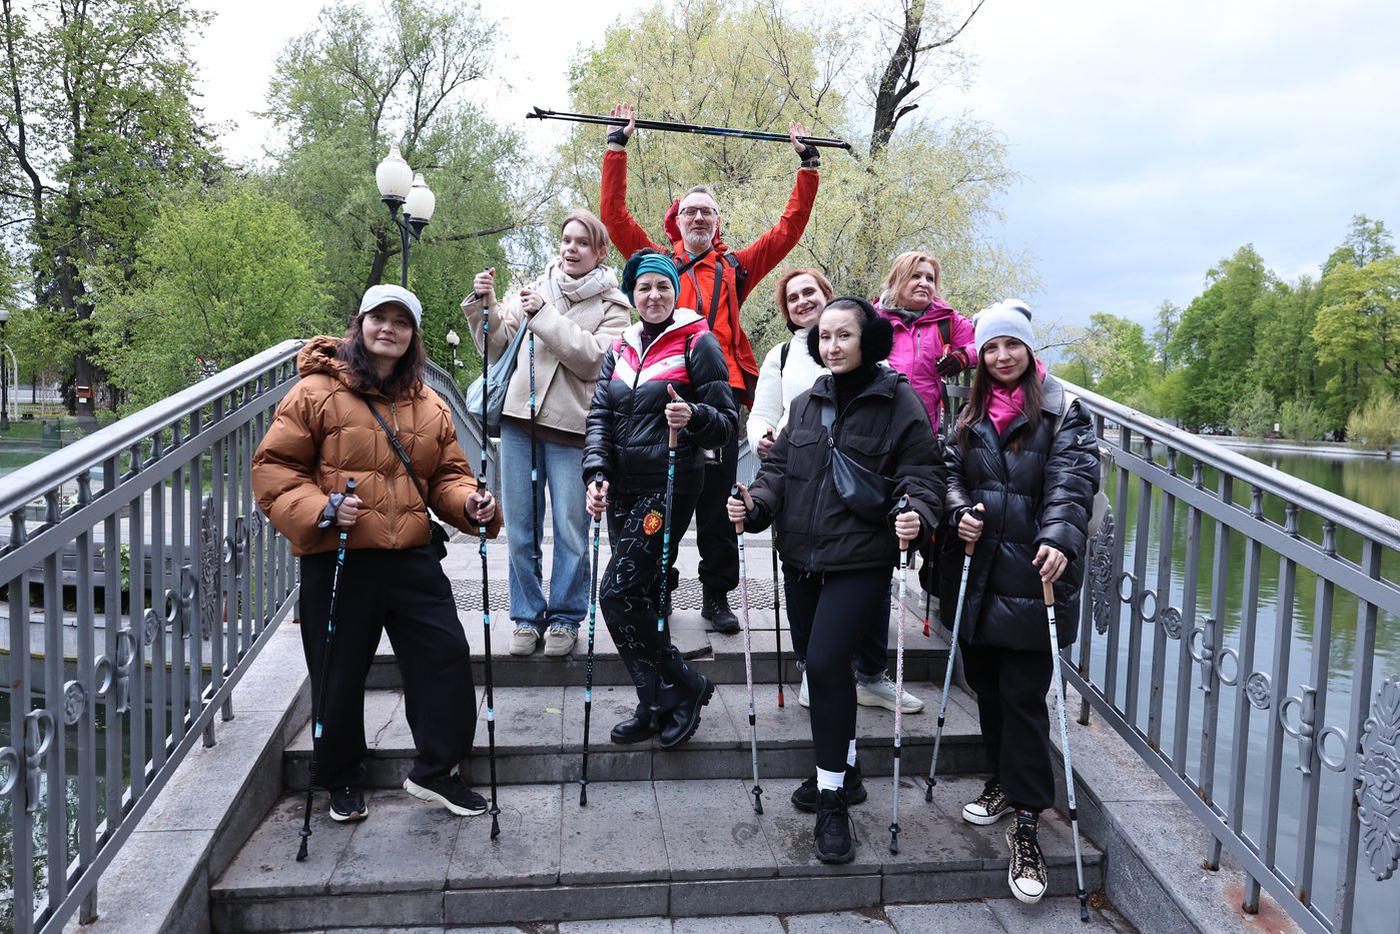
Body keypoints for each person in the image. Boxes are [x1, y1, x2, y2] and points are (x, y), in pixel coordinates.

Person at [253, 284, 501, 824]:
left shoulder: (429, 403)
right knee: (338, 672)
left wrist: (470, 503)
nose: (389, 328)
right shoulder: (315, 392)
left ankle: (437, 772)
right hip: (339, 556)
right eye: (378, 318)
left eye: (401, 321)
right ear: (360, 323)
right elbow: (275, 469)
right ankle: (341, 777)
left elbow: (447, 476)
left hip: (411, 554)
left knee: (445, 657)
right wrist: (321, 508)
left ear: (413, 335)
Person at [728, 296, 945, 864]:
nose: (832, 346)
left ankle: (831, 802)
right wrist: (754, 505)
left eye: (843, 335)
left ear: (868, 339)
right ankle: (846, 771)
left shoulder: (899, 402)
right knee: (821, 669)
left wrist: (916, 512)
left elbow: (925, 475)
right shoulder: (805, 403)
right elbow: (778, 472)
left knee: (825, 665)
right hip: (801, 558)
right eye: (824, 337)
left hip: (860, 560)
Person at [600, 101, 819, 635]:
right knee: (664, 501)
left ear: (718, 223)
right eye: (691, 211)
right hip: (661, 403)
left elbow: (786, 231)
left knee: (719, 504)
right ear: (676, 220)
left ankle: (717, 596)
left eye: (708, 212)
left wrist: (808, 166)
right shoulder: (657, 265)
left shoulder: (735, 267)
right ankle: (659, 588)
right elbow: (615, 218)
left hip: (716, 404)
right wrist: (616, 146)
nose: (699, 218)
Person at [938, 299, 1098, 903]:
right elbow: (948, 472)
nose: (1002, 356)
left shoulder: (1063, 410)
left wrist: (1058, 537)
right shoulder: (970, 412)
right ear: (980, 356)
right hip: (980, 578)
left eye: (1012, 346)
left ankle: (1028, 822)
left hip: (1035, 577)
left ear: (1030, 351)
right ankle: (1003, 781)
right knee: (987, 687)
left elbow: (1072, 482)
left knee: (1024, 697)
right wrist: (958, 511)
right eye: (992, 348)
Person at [746, 269, 922, 716]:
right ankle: (817, 673)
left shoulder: (886, 380)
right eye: (793, 298)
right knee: (807, 603)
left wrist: (914, 507)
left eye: (810, 292)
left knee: (864, 595)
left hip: (857, 509)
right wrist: (762, 439)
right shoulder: (783, 356)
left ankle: (868, 675)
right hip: (802, 489)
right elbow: (765, 413)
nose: (802, 301)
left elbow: (911, 454)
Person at [583, 249, 738, 749]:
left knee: (616, 592)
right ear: (632, 293)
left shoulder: (698, 341)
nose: (654, 295)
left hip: (667, 487)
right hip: (622, 490)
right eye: (644, 287)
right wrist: (596, 473)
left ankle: (686, 684)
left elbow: (726, 423)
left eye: (663, 286)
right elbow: (599, 417)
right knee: (643, 596)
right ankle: (653, 701)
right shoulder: (620, 346)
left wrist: (693, 415)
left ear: (675, 292)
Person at [462, 210, 631, 658]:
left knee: (571, 531)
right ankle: (526, 616)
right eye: (566, 240)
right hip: (520, 423)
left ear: (600, 252)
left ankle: (565, 618)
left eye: (582, 242)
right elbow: (496, 346)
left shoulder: (615, 306)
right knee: (521, 528)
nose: (571, 248)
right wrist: (486, 306)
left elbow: (595, 360)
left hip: (573, 430)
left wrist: (545, 316)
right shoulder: (535, 288)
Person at [874, 251, 976, 437]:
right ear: (896, 280)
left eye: (930, 279)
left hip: (924, 427)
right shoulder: (873, 318)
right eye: (915, 276)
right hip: (876, 423)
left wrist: (964, 356)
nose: (924, 283)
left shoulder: (946, 320)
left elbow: (985, 342)